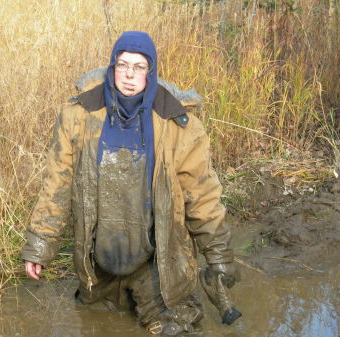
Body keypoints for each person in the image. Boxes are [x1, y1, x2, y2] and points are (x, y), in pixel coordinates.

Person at [21, 31, 239, 336]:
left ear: (151, 71)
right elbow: (57, 185)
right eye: (123, 65)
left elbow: (202, 195)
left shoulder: (178, 123)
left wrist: (218, 255)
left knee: (176, 327)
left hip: (156, 263)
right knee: (98, 325)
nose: (130, 75)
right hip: (99, 263)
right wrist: (39, 246)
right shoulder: (78, 116)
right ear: (112, 67)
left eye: (139, 67)